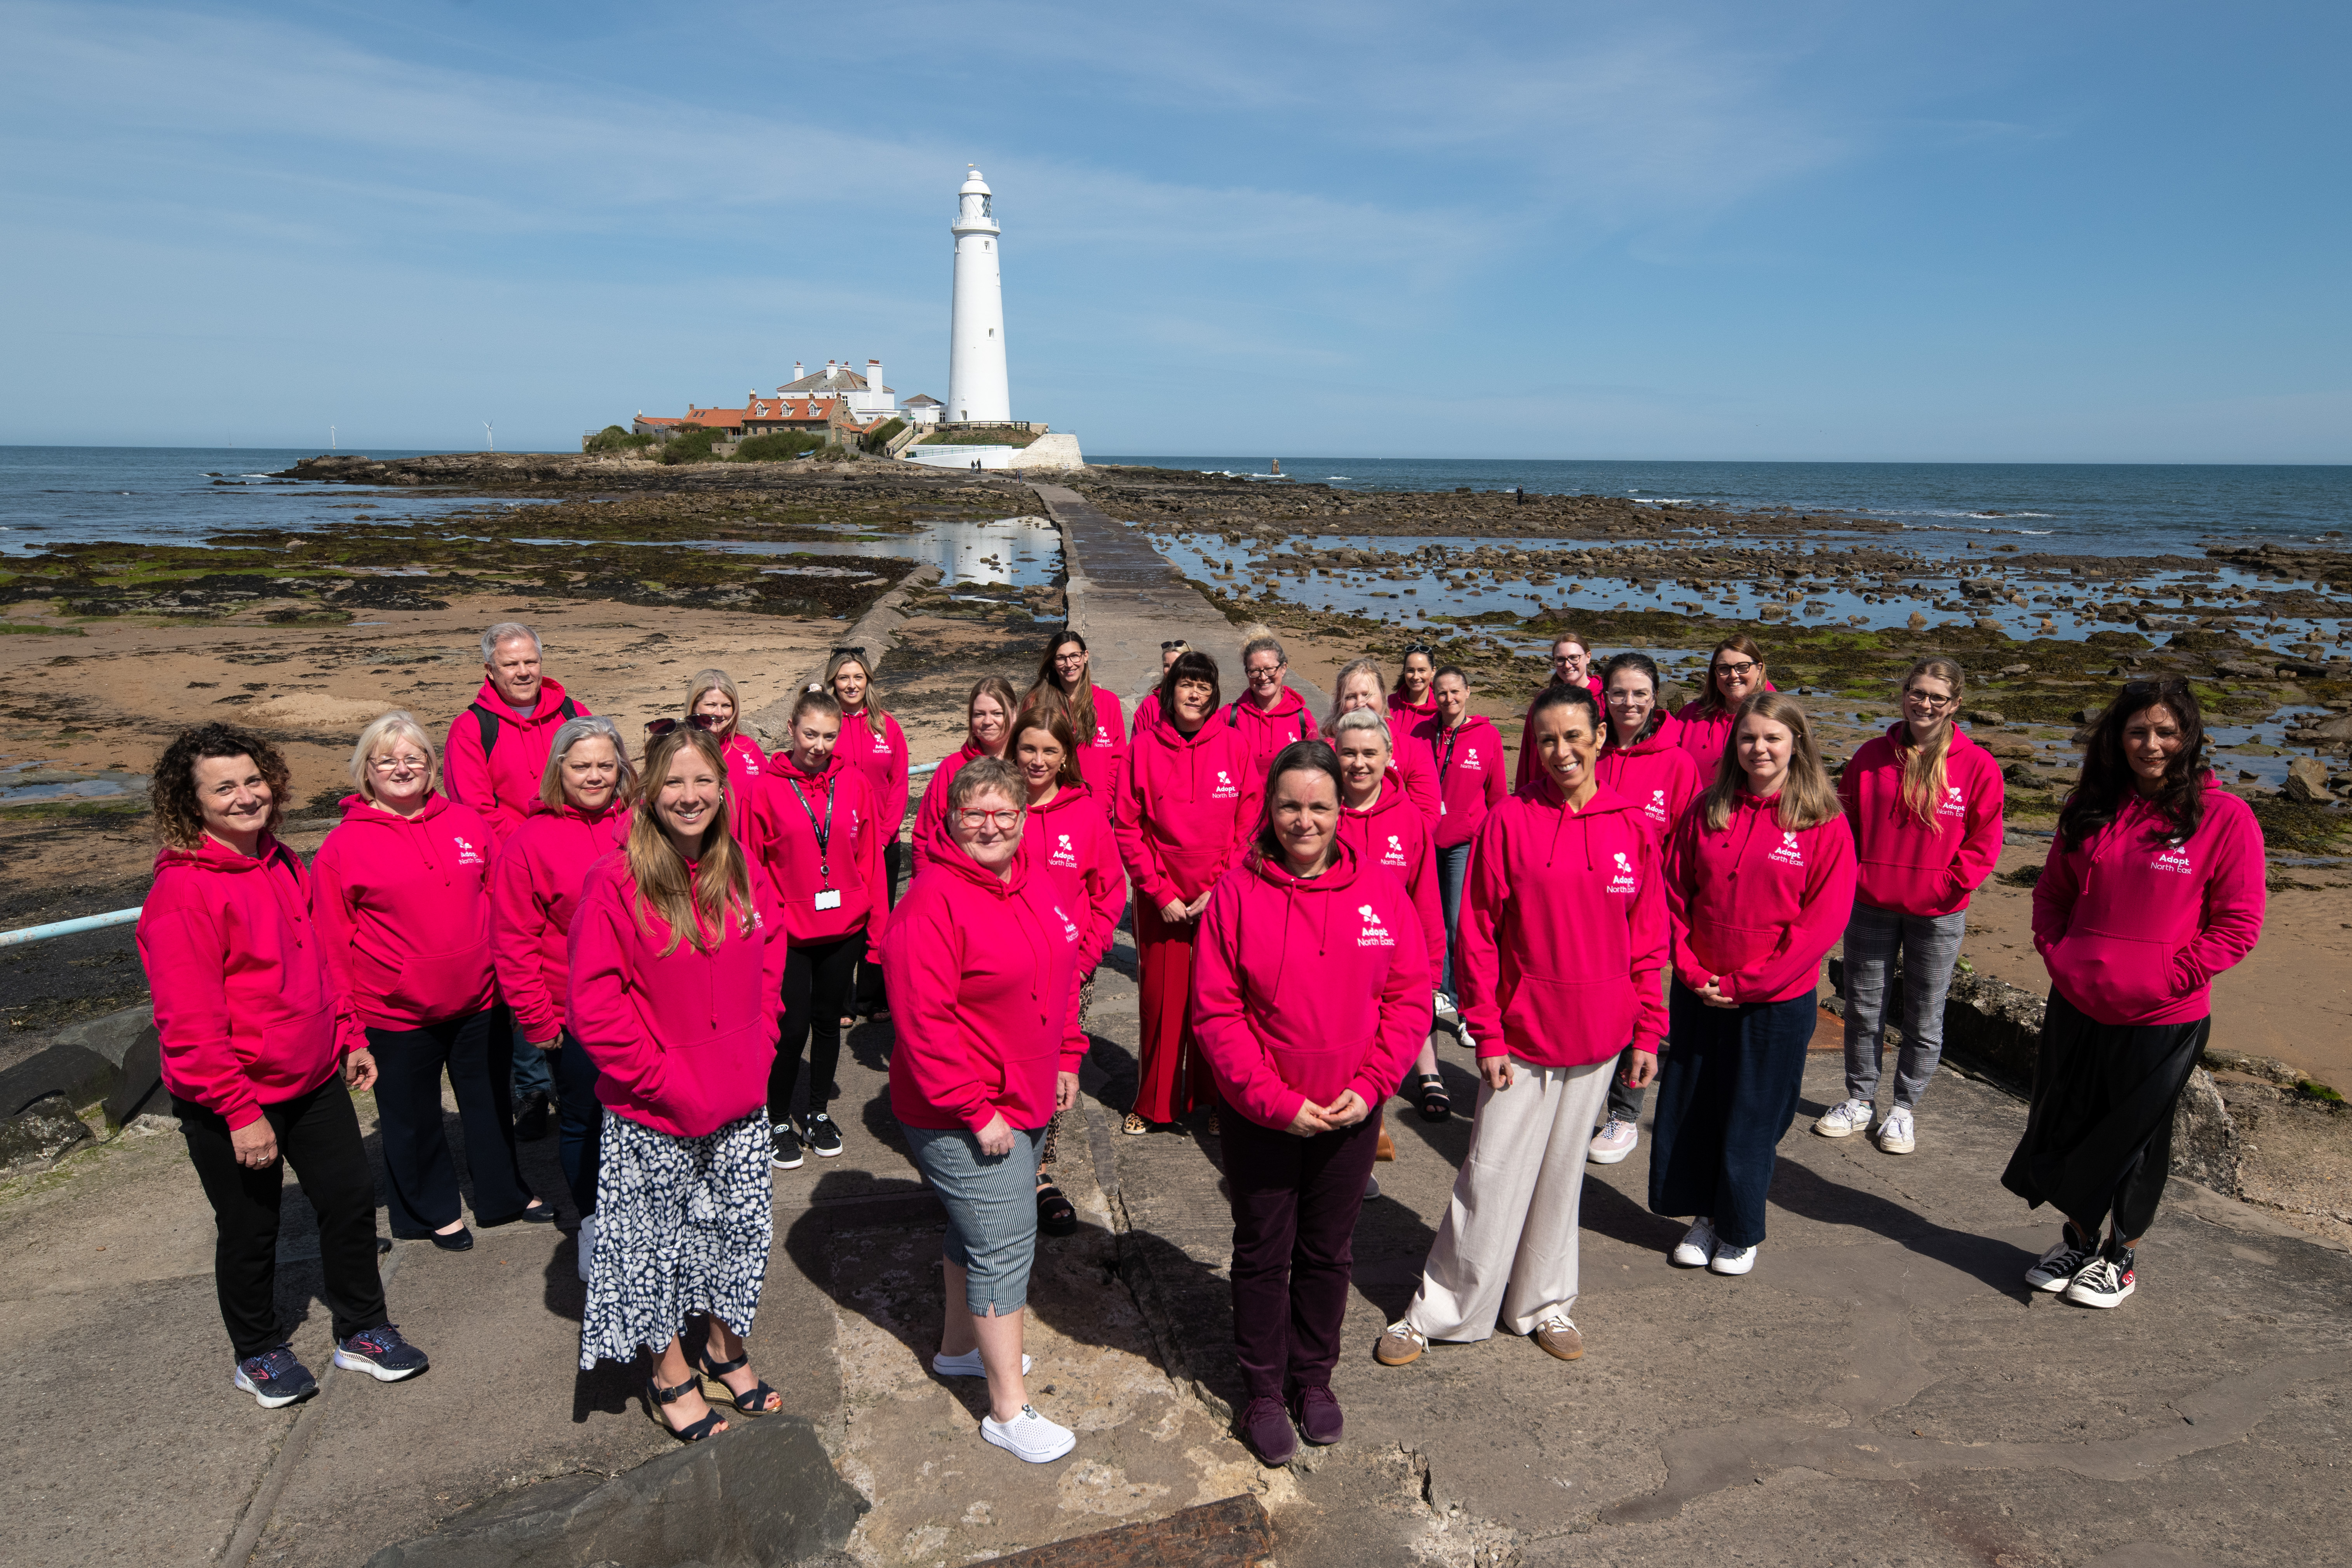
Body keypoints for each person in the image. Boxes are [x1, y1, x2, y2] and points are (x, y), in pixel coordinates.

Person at [139, 722, 429, 1408]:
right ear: (192, 801)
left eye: (253, 780)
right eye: (225, 787)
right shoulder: (184, 893)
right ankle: (258, 1351)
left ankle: (362, 1329)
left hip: (312, 1073)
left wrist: (351, 1035)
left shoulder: (282, 860)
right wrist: (241, 1112)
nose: (247, 796)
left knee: (352, 1202)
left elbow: (321, 957)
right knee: (250, 1230)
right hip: (231, 1097)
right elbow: (189, 1022)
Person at [1375, 685, 1664, 1372]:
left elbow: (1649, 936)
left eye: (1574, 737)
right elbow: (1476, 931)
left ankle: (1542, 1302)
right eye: (1547, 740)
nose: (1561, 751)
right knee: (1491, 1174)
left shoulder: (1632, 824)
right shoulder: (1511, 820)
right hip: (1522, 1037)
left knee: (1563, 1180)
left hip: (1600, 1038)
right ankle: (1442, 1309)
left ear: (1600, 737)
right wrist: (1489, 1033)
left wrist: (1649, 1030)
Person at [1194, 741, 1429, 1464]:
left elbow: (1408, 995)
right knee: (1264, 1253)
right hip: (1264, 1115)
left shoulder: (1381, 893)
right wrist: (1273, 1100)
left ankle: (1313, 1378)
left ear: (1340, 809)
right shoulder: (1236, 894)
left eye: (1319, 806)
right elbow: (1216, 1014)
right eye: (1291, 805)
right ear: (1270, 807)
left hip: (1350, 1112)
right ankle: (1263, 1390)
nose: (1304, 820)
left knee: (1329, 1253)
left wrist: (1371, 1086)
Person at [2003, 678, 2263, 1310]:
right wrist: (2058, 954)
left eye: (2167, 731)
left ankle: (2120, 1257)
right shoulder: (2090, 807)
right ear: (2118, 738)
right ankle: (2077, 1239)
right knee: (2068, 1124)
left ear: (2189, 738)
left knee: (2136, 1139)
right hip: (2079, 999)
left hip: (2162, 1015)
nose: (2152, 743)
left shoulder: (2223, 818)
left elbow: (2237, 925)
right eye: (2138, 730)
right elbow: (2053, 894)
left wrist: (2161, 980)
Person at [569, 725, 789, 1441]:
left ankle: (724, 1348)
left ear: (724, 790)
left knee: (741, 1233)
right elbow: (595, 1009)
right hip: (655, 1112)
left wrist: (764, 1045)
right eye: (674, 782)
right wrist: (667, 1080)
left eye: (703, 782)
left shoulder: (743, 868)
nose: (690, 796)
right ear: (648, 792)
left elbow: (772, 959)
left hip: (742, 1102)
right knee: (651, 1249)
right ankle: (669, 1372)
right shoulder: (614, 882)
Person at [880, 758, 1088, 1465]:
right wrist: (976, 1109)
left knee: (975, 1233)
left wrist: (1067, 1052)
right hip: (960, 1110)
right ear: (951, 819)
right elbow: (924, 1024)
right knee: (1004, 1244)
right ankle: (1007, 1410)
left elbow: (1064, 972)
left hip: (1027, 1093)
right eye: (976, 814)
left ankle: (960, 1349)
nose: (991, 825)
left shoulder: (1038, 882)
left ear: (1025, 818)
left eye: (1005, 812)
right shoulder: (930, 901)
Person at [312, 712, 547, 1248]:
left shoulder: (467, 824)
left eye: (413, 756)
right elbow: (331, 945)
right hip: (394, 1010)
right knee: (411, 1118)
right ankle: (429, 1210)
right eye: (388, 759)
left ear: (431, 765)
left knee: (489, 1104)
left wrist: (512, 982)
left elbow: (501, 905)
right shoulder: (341, 848)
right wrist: (349, 1032)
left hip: (479, 998)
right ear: (366, 770)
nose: (402, 767)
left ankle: (502, 1194)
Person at [1650, 692, 1856, 1278]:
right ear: (1732, 744)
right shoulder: (1706, 808)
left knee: (1752, 1117)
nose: (1758, 748)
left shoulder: (1823, 822)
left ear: (1795, 744)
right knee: (1693, 1109)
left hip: (1772, 1001)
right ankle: (1703, 1216)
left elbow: (1819, 924)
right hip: (1699, 991)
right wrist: (1691, 970)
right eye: (1748, 738)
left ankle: (1739, 1228)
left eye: (1771, 738)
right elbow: (1672, 893)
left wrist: (1746, 983)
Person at [1816, 658, 2004, 1155]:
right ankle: (1859, 1099)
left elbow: (1985, 839)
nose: (1924, 703)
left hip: (1938, 912)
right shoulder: (1872, 755)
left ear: (1955, 704)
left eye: (1936, 697)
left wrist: (1952, 883)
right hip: (1871, 903)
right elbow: (1843, 825)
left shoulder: (1977, 764)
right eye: (1916, 693)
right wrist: (1851, 876)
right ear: (1904, 695)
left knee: (1924, 1014)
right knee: (1863, 1007)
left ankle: (1903, 1109)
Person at [493, 715, 635, 1281]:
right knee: (584, 1119)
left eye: (605, 764)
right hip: (575, 1013)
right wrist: (536, 1016)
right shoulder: (529, 840)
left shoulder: (643, 824)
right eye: (582, 766)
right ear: (559, 769)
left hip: (647, 1005)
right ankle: (594, 1221)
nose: (595, 776)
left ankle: (641, 1214)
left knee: (642, 1118)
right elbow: (513, 937)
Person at [442, 621, 590, 1136]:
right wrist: (535, 843)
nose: (523, 671)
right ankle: (531, 1089)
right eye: (511, 664)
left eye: (529, 660)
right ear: (490, 670)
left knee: (575, 962)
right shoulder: (472, 728)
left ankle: (580, 1074)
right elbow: (474, 809)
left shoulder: (573, 714)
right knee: (522, 968)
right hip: (511, 867)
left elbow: (603, 771)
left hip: (576, 862)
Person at [1115, 651, 1262, 1134]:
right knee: (1161, 1002)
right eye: (1186, 684)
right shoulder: (1143, 748)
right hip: (1162, 900)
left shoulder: (1236, 746)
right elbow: (1128, 826)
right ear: (1169, 691)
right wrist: (1159, 892)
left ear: (1214, 693)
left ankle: (1217, 1100)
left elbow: (1248, 823)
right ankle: (1154, 1102)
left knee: (1219, 1003)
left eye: (1203, 685)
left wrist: (1221, 885)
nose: (1195, 693)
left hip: (1220, 897)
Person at [751, 689, 887, 1170]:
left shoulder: (853, 782)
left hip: (844, 927)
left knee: (828, 1024)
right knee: (789, 1030)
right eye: (811, 734)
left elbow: (871, 858)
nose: (819, 745)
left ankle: (817, 1111)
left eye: (829, 736)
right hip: (787, 933)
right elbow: (752, 864)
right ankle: (776, 1118)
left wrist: (877, 932)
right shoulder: (764, 788)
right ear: (791, 728)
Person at [1009, 699, 1123, 1237]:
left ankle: (1038, 1170)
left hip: (1067, 972)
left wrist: (1085, 957)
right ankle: (1000, 1161)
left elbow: (1107, 891)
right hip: (1000, 973)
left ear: (1065, 755)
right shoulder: (998, 804)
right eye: (1027, 748)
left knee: (1056, 1072)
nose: (1036, 760)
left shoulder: (1084, 812)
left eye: (1048, 751)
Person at [1585, 652, 1704, 1166]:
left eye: (1638, 693)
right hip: (1587, 904)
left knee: (1640, 1010)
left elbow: (1686, 845)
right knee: (1592, 1008)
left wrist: (1678, 913)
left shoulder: (1676, 762)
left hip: (1645, 911)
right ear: (1603, 697)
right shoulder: (1589, 749)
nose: (1628, 703)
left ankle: (1624, 1115)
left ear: (1655, 698)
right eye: (1618, 693)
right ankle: (1582, 1103)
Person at [1329, 709, 1448, 1121]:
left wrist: (1432, 978)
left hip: (1389, 968)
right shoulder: (1321, 813)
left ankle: (1365, 1145)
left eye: (1368, 753)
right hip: (1330, 964)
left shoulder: (1409, 819)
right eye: (1348, 753)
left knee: (1377, 1070)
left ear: (1388, 756)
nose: (1358, 763)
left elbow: (1427, 906)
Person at [1416, 666, 1506, 1016]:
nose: (1449, 699)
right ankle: (1439, 988)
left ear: (1468, 692)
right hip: (1424, 840)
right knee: (1432, 920)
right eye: (1441, 693)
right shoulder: (1422, 733)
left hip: (1464, 843)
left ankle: (1463, 999)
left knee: (1459, 923)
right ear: (1433, 696)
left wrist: (1492, 843)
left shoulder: (1488, 737)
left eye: (1455, 692)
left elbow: (1497, 795)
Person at [827, 647, 909, 1022]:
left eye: (857, 677)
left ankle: (872, 998)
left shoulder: (887, 726)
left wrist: (885, 833)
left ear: (868, 681)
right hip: (838, 843)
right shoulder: (827, 725)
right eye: (844, 677)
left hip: (881, 843)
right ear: (833, 682)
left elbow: (898, 783)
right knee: (841, 918)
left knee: (881, 918)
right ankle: (840, 1000)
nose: (851, 684)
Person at [912, 677, 1017, 866]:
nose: (987, 722)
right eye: (979, 714)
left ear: (1014, 713)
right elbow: (925, 837)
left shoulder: (1029, 765)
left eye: (997, 713)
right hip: (961, 880)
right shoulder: (951, 768)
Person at [1027, 630, 1127, 823]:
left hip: (1098, 810)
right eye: (1061, 658)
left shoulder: (1109, 702)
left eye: (1074, 656)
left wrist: (1106, 800)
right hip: (1050, 808)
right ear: (1053, 663)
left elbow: (1118, 757)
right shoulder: (1036, 702)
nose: (1069, 664)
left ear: (1085, 656)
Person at [1326, 656, 1440, 821]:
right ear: (1340, 703)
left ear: (1384, 695)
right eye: (1351, 697)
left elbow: (1427, 815)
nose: (1360, 703)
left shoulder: (1412, 750)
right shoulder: (1326, 751)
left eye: (1367, 695)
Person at [1511, 633, 1604, 792]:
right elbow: (1529, 752)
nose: (1567, 666)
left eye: (1574, 658)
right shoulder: (1543, 701)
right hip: (1542, 790)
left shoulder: (1605, 701)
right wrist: (1524, 792)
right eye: (1560, 660)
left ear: (1588, 657)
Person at [685, 668, 764, 849]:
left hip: (745, 854)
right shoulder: (680, 749)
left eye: (726, 706)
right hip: (698, 852)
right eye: (711, 705)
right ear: (694, 706)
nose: (719, 713)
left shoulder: (748, 747)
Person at [1673, 635, 1771, 773]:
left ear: (1759, 669)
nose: (1733, 675)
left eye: (1743, 667)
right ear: (1715, 673)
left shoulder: (1777, 717)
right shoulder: (1690, 715)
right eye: (1724, 668)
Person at [1226, 634, 1318, 776]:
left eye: (1270, 669)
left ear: (1284, 668)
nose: (1263, 677)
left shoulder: (1303, 719)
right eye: (1255, 671)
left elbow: (1315, 770)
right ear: (1247, 673)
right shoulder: (1229, 717)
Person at [1128, 640, 1190, 736]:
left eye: (1176, 666)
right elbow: (1137, 745)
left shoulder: (1200, 701)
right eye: (1166, 666)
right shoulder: (1150, 705)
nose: (1171, 671)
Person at [1388, 643, 1437, 732]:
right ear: (1405, 671)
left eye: (1422, 670)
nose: (1416, 677)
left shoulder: (1441, 708)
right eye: (1411, 670)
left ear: (1433, 671)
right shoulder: (1389, 703)